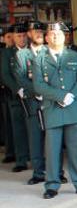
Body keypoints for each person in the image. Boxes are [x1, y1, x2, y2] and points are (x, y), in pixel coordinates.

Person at [32, 22, 77, 199]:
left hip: (74, 108)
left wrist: (71, 96)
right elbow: (38, 85)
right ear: (46, 37)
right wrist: (61, 96)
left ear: (65, 36)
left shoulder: (74, 55)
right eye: (51, 34)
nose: (55, 37)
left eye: (58, 34)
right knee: (52, 150)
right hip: (53, 109)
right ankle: (52, 185)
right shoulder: (39, 59)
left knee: (76, 149)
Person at [14, 21, 50, 185]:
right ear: (29, 34)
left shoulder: (50, 51)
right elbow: (21, 78)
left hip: (50, 101)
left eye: (41, 31)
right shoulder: (22, 55)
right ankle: (38, 172)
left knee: (52, 138)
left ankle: (56, 171)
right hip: (32, 101)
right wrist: (38, 91)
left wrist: (46, 93)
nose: (39, 33)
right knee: (35, 138)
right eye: (35, 31)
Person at [2, 24, 31, 172]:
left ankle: (37, 157)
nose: (21, 38)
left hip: (33, 96)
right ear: (13, 37)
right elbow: (6, 74)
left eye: (24, 35)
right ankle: (21, 160)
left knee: (35, 128)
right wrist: (17, 89)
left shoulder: (33, 50)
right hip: (16, 97)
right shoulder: (7, 53)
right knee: (18, 129)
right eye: (18, 36)